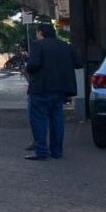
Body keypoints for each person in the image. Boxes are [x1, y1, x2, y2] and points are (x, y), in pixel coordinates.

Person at [24, 23, 82, 160]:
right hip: (61, 90)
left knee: (39, 120)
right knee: (57, 120)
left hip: (41, 88)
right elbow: (78, 64)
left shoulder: (38, 45)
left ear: (40, 33)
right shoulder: (66, 46)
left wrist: (29, 68)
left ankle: (41, 152)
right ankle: (57, 152)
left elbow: (33, 65)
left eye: (37, 33)